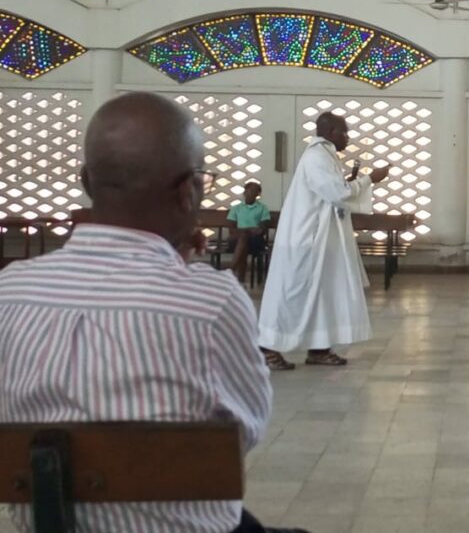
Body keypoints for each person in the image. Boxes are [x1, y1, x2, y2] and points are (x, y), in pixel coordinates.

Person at [0, 93, 283, 533]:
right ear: (189, 190)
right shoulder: (210, 300)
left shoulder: (10, 289)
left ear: (86, 182)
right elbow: (242, 433)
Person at [258, 112, 391, 370]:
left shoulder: (325, 155)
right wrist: (370, 179)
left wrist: (352, 182)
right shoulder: (317, 156)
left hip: (320, 241)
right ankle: (267, 347)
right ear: (330, 133)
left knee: (322, 293)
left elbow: (331, 190)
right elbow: (337, 193)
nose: (348, 137)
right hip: (306, 239)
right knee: (292, 292)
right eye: (344, 132)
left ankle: (318, 348)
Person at [227, 181, 272, 282]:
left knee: (243, 240)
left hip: (255, 241)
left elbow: (261, 230)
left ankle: (233, 271)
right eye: (249, 190)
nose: (251, 193)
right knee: (243, 240)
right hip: (237, 240)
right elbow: (231, 230)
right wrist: (249, 230)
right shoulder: (236, 208)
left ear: (258, 194)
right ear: (244, 193)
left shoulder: (262, 208)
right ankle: (239, 279)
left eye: (255, 191)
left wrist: (244, 231)